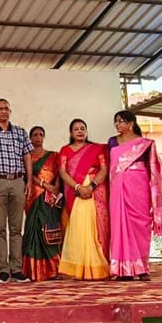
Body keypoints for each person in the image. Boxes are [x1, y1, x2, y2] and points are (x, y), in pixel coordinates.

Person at [107, 110, 162, 281]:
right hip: (117, 187)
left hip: (138, 186)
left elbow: (154, 170)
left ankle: (142, 267)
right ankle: (123, 269)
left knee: (140, 224)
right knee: (119, 225)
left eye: (121, 121)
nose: (117, 124)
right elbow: (110, 166)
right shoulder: (112, 142)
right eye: (116, 121)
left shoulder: (146, 144)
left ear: (131, 123)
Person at [0, 98, 33, 283]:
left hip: (18, 180)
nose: (3, 111)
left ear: (10, 111)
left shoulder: (20, 132)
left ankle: (16, 269)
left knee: (16, 228)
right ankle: (3, 269)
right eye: (0, 109)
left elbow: (27, 156)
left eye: (6, 109)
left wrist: (29, 181)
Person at [58, 119, 110, 280]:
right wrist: (78, 187)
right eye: (76, 129)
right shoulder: (65, 150)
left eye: (82, 128)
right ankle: (77, 267)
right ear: (71, 133)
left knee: (96, 226)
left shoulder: (97, 148)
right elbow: (63, 172)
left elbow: (104, 169)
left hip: (96, 190)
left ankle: (100, 265)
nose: (80, 131)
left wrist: (91, 186)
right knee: (78, 226)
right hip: (75, 191)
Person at [21, 126, 61, 281]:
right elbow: (27, 175)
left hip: (49, 198)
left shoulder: (53, 155)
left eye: (41, 134)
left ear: (44, 137)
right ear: (30, 138)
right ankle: (31, 270)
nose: (38, 137)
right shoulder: (27, 156)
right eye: (35, 135)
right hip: (33, 196)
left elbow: (59, 174)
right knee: (33, 230)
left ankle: (53, 268)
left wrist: (55, 189)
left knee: (48, 229)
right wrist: (45, 185)